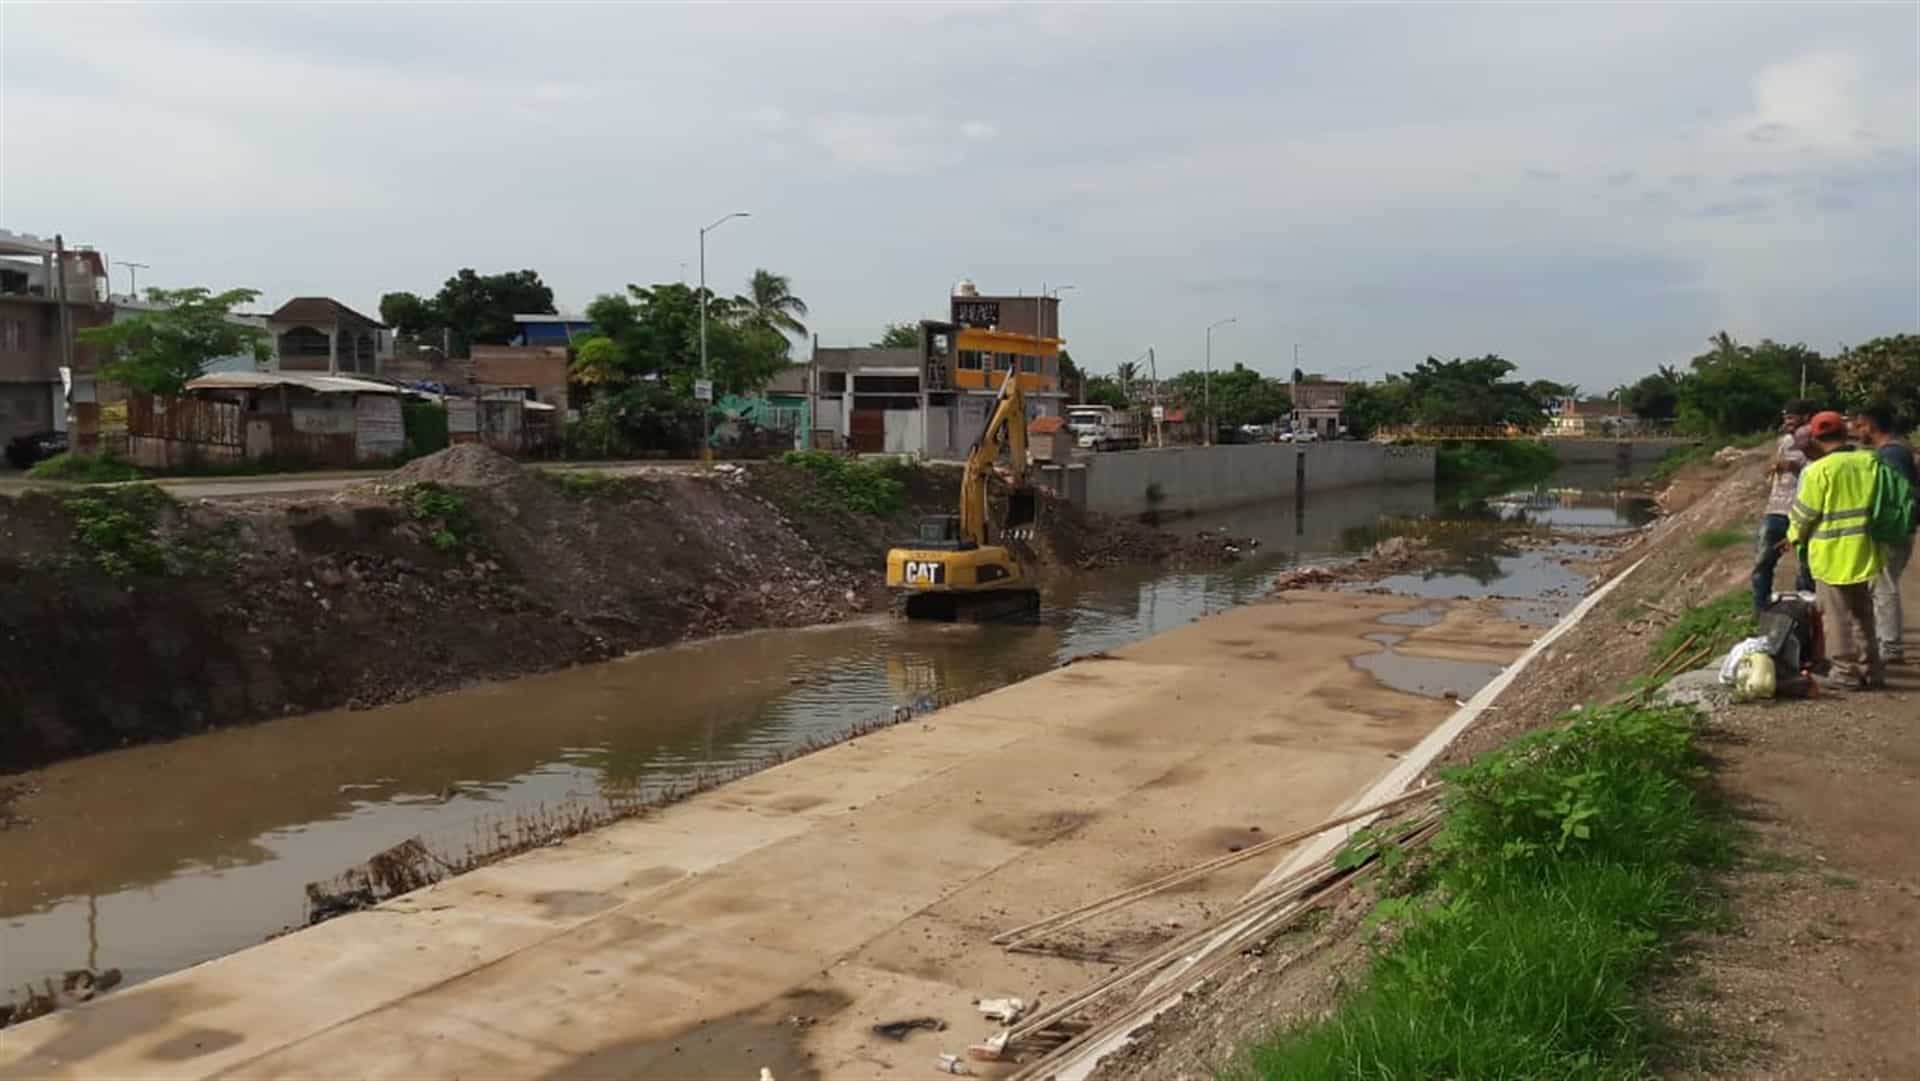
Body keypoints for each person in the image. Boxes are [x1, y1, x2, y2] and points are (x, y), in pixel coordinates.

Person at [1787, 411, 1886, 689]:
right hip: (1866, 551)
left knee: (1836, 616)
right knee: (1863, 614)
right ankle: (1872, 670)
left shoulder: (1818, 471)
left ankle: (1844, 673)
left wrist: (1793, 537)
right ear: (1845, 433)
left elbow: (1804, 514)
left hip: (1832, 555)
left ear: (1816, 439)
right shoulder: (1870, 461)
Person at [1849, 402, 1917, 663]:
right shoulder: (1898, 449)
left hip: (1892, 528)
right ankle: (1885, 641)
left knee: (1883, 585)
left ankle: (1890, 646)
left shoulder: (1891, 454)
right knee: (1881, 584)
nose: (1856, 431)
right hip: (1898, 527)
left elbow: (1894, 494)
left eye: (1859, 425)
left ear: (1870, 425)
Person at [1753, 399, 1817, 611]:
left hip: (1805, 513)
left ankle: (1806, 610)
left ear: (1806, 416)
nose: (1787, 420)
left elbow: (1820, 470)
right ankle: (1761, 607)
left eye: (1791, 416)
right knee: (1763, 560)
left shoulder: (1817, 441)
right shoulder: (1784, 441)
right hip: (1776, 510)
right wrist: (1773, 465)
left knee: (1807, 565)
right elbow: (1769, 469)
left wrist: (1796, 465)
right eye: (1785, 417)